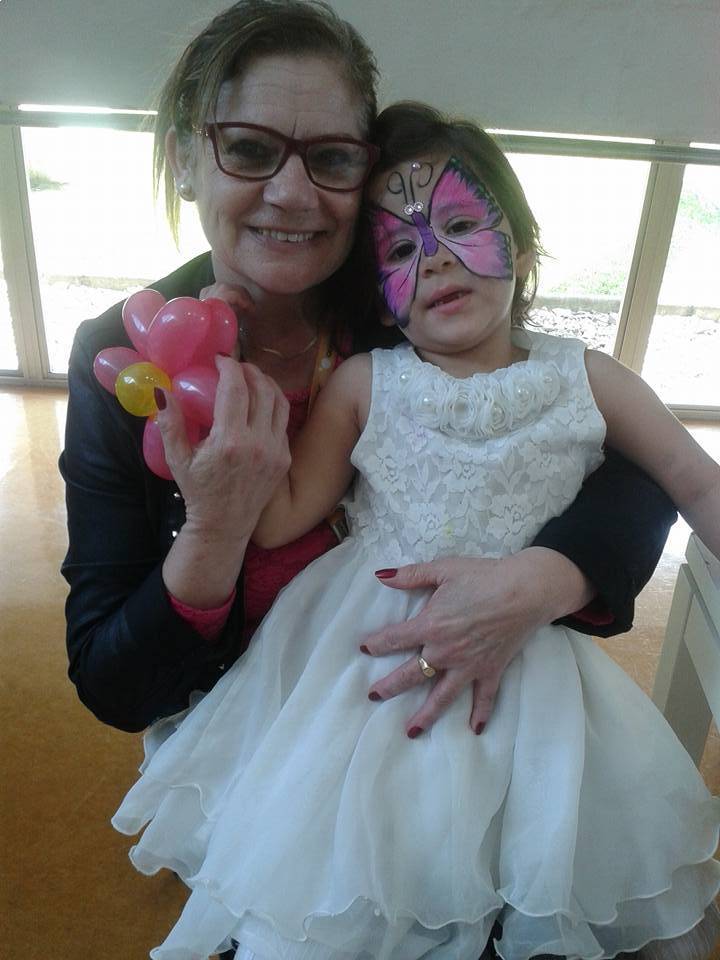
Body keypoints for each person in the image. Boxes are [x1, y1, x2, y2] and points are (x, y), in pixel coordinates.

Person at [112, 102, 720, 960]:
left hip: (529, 658)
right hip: (359, 660)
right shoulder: (364, 382)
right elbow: (283, 515)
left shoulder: (591, 377)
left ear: (523, 245)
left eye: (460, 225)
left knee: (546, 850)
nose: (432, 257)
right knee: (344, 871)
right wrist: (223, 419)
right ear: (379, 293)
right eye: (399, 250)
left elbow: (694, 478)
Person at [60, 0, 675, 746]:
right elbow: (112, 682)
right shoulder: (133, 357)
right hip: (239, 743)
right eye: (248, 149)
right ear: (185, 161)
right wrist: (214, 531)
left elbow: (634, 464)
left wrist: (543, 579)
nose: (292, 193)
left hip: (456, 720)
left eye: (331, 157)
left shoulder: (415, 312)